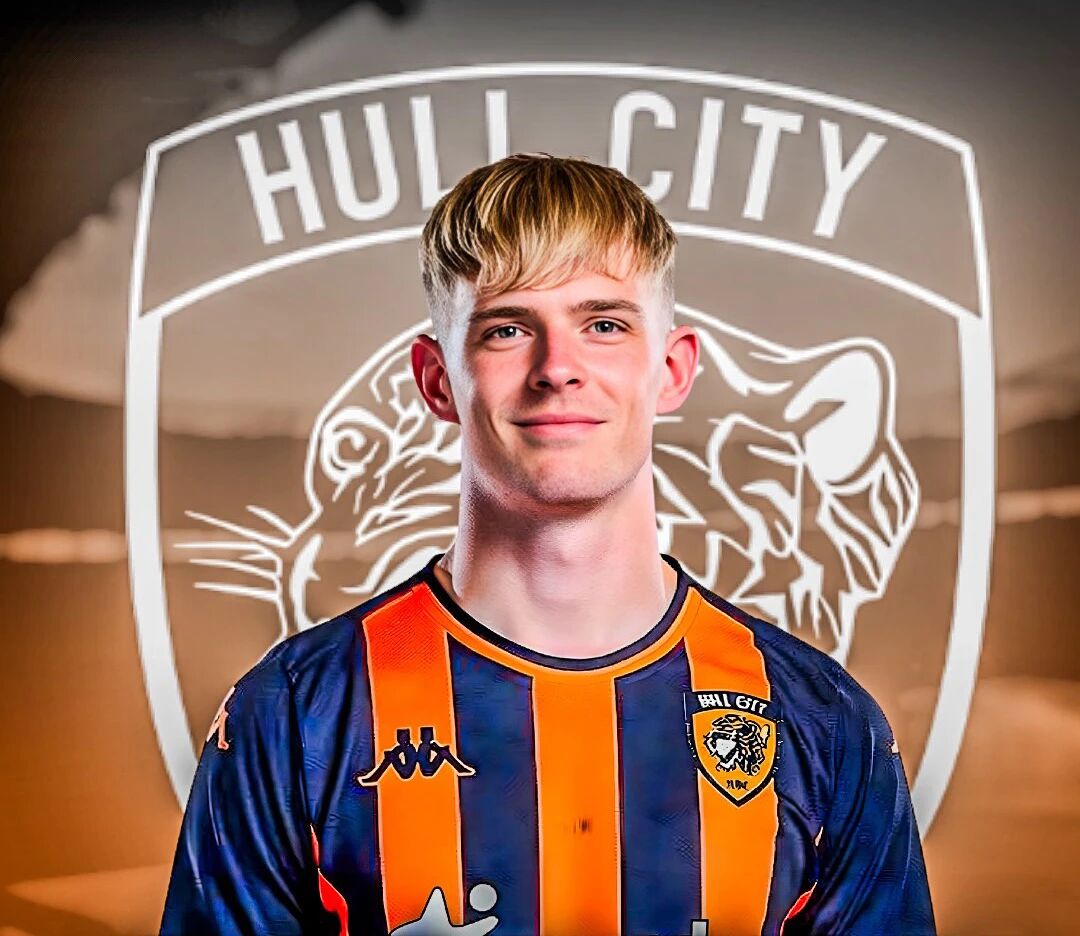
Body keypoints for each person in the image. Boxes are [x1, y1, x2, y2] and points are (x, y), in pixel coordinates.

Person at [160, 154, 935, 935]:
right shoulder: (294, 714)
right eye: (506, 329)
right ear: (437, 380)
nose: (557, 368)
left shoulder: (824, 722)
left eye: (604, 325)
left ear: (671, 371)